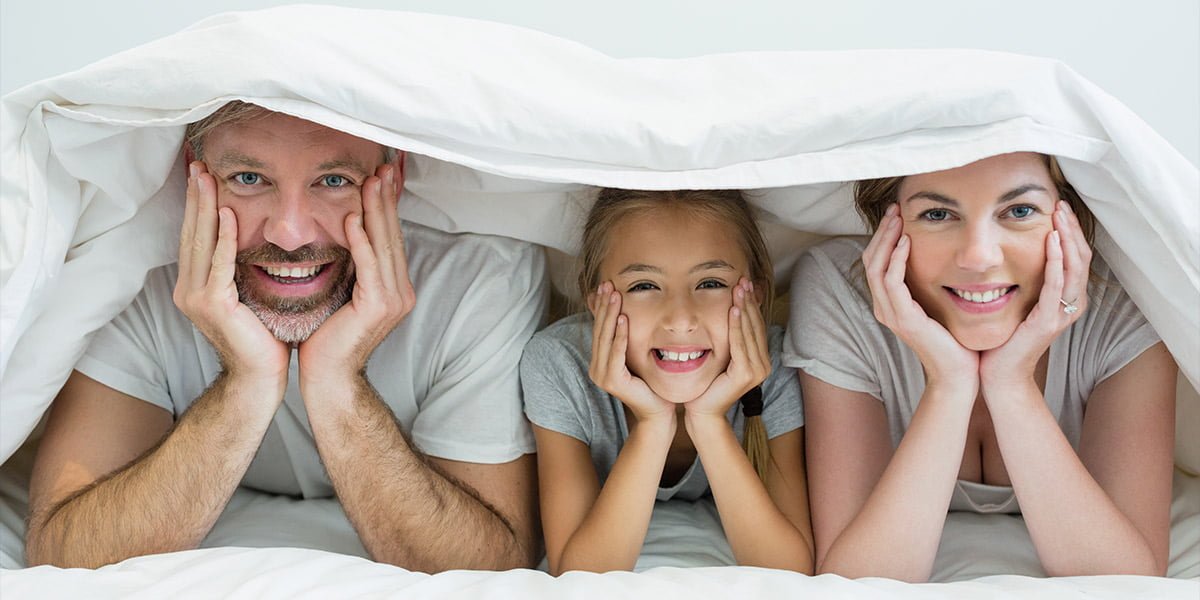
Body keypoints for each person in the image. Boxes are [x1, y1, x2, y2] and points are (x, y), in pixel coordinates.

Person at [25, 101, 548, 571]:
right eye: (250, 178)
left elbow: (490, 568)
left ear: (392, 179)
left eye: (334, 180)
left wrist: (337, 382)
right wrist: (246, 380)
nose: (290, 233)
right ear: (195, 173)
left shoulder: (479, 278)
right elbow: (64, 556)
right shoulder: (134, 273)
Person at [787, 152, 1177, 581]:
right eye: (937, 214)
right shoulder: (840, 290)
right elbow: (859, 579)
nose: (979, 256)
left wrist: (1011, 384)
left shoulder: (1125, 294)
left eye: (1020, 210)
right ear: (889, 226)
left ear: (1071, 221)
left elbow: (1126, 581)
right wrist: (949, 384)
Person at [521, 188, 814, 575]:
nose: (680, 318)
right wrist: (653, 424)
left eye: (710, 283)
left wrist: (708, 420)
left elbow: (787, 571)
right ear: (596, 301)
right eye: (644, 286)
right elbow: (581, 576)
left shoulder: (772, 367)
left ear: (755, 293)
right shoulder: (559, 364)